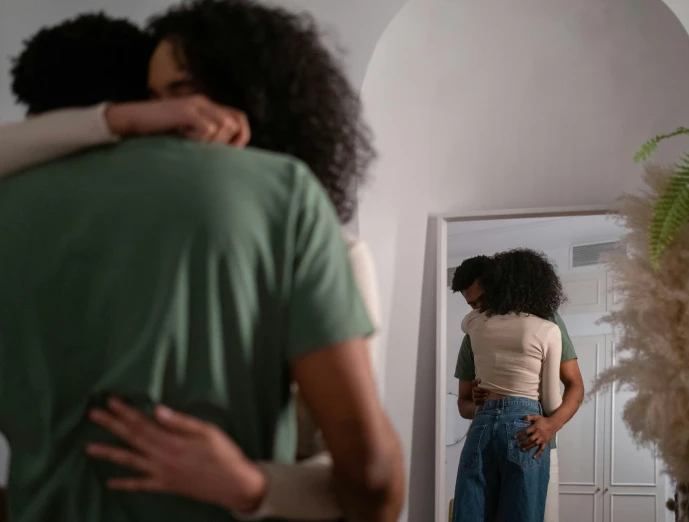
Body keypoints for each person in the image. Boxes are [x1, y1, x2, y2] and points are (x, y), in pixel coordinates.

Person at [0, 3, 395, 521]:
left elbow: (355, 471)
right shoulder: (274, 214)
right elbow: (374, 483)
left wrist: (254, 485)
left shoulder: (322, 240)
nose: (172, 120)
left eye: (183, 94)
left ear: (257, 99)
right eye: (153, 100)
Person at [450, 253, 585, 522]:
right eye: (472, 304)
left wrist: (552, 424)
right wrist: (477, 404)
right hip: (504, 426)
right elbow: (463, 404)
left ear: (500, 288)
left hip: (537, 435)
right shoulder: (474, 335)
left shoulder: (548, 320)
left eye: (482, 300)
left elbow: (575, 385)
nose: (477, 309)